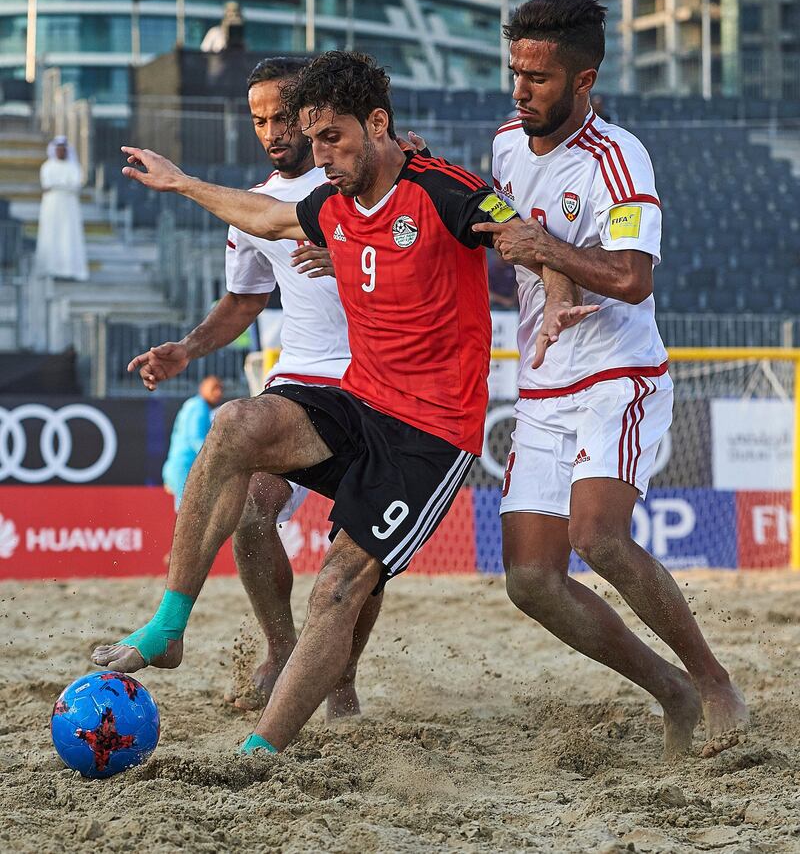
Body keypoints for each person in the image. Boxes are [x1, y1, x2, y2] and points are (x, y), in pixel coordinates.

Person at [91, 50, 592, 755]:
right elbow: (265, 218)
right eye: (309, 136)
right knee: (233, 425)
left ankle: (258, 753)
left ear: (378, 123)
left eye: (332, 137)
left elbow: (523, 239)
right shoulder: (330, 203)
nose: (318, 152)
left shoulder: (442, 187)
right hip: (353, 394)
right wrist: (179, 184)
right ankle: (170, 628)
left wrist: (562, 295)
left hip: (429, 432)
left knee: (340, 582)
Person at [473, 0, 748, 759]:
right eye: (515, 72)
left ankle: (716, 681)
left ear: (584, 80)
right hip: (543, 386)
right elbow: (494, 216)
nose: (521, 90)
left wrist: (547, 248)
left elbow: (632, 278)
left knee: (598, 536)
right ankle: (673, 689)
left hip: (617, 375)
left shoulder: (619, 158)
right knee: (529, 581)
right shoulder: (504, 140)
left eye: (540, 77)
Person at [128, 56, 378, 719]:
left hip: (378, 383)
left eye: (280, 116)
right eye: (258, 119)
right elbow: (243, 301)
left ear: (311, 114)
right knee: (249, 505)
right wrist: (187, 346)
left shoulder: (365, 179)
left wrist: (349, 253)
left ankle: (337, 676)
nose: (270, 131)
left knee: (361, 545)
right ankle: (283, 647)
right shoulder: (253, 207)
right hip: (300, 377)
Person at [162, 375, 224, 509]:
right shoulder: (199, 407)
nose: (218, 392)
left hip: (177, 467)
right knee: (191, 517)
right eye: (214, 388)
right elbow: (195, 439)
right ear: (202, 388)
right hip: (185, 468)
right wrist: (217, 460)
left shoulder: (192, 404)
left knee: (190, 517)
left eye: (221, 389)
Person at [34, 136, 88, 281]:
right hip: (51, 207)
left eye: (63, 149)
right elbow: (47, 184)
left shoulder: (73, 167)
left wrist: (60, 185)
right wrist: (64, 185)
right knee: (50, 234)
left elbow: (75, 185)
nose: (60, 152)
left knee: (69, 235)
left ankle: (69, 270)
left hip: (69, 207)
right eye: (58, 149)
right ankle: (50, 269)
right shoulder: (47, 166)